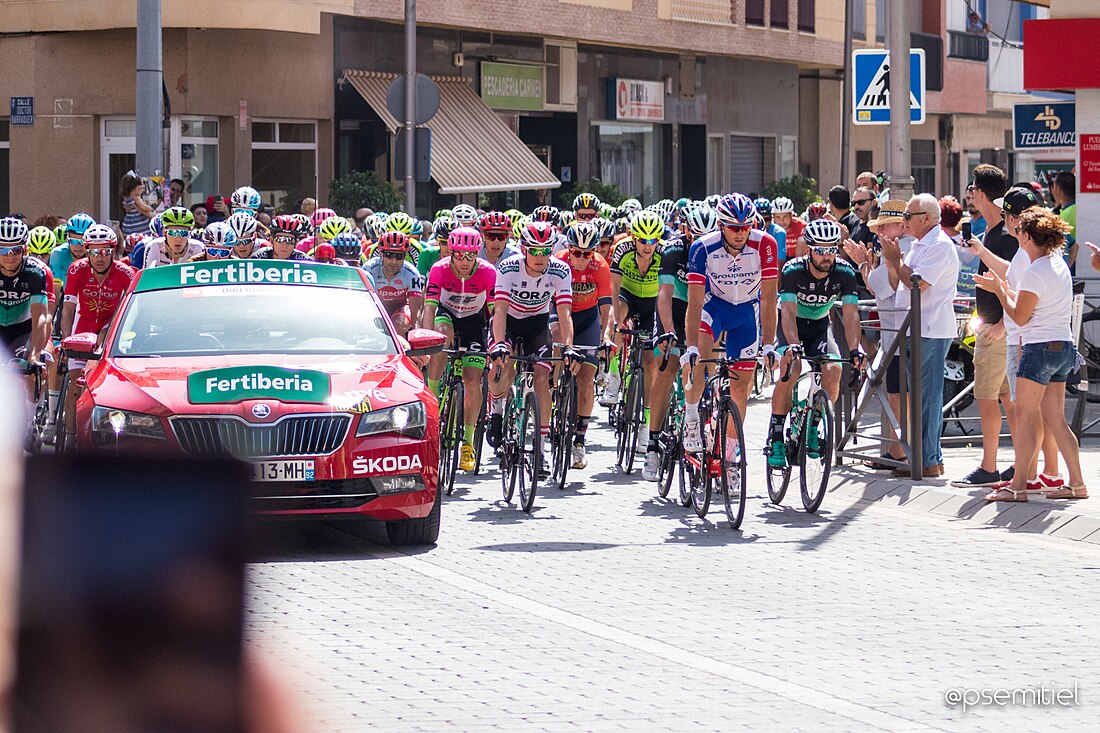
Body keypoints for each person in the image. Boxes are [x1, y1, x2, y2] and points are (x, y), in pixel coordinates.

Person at [975, 209, 1087, 501]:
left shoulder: (1036, 270)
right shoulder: (1057, 263)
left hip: (1038, 349)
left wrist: (1000, 292)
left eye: (1020, 232)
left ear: (1026, 237)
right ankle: (1076, 483)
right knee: (1056, 420)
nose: (1016, 235)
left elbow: (1020, 317)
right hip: (1063, 346)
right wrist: (1003, 290)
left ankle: (1018, 486)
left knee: (1025, 419)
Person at [682, 194, 779, 454]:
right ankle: (691, 416)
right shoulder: (702, 247)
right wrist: (690, 347)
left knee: (739, 390)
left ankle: (729, 455)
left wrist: (768, 344)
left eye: (746, 227)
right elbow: (694, 302)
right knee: (698, 360)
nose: (740, 233)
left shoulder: (765, 245)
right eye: (734, 228)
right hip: (714, 308)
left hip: (747, 312)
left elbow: (769, 299)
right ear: (721, 226)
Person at [768, 219, 864, 468]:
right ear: (809, 249)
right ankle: (777, 434)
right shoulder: (792, 270)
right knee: (793, 369)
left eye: (831, 249)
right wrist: (792, 345)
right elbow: (787, 312)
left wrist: (855, 349)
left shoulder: (844, 272)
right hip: (793, 326)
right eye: (820, 250)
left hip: (821, 327)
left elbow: (852, 313)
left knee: (834, 369)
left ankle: (814, 425)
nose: (826, 256)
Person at [879, 194, 960, 478]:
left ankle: (928, 460)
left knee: (927, 398)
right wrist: (892, 261)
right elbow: (897, 282)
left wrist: (895, 259)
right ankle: (923, 458)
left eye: (908, 217)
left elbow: (917, 284)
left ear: (926, 218)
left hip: (930, 329)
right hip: (915, 329)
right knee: (919, 397)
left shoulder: (939, 245)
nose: (904, 222)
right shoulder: (919, 245)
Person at [487, 221, 578, 471]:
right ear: (524, 249)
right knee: (503, 364)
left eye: (546, 250)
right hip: (509, 322)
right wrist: (498, 344)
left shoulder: (560, 270)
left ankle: (539, 448)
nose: (541, 257)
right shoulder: (508, 268)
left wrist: (568, 346)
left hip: (537, 324)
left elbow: (564, 313)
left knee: (542, 378)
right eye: (535, 251)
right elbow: (500, 311)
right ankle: (496, 411)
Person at [950, 165, 1017, 488]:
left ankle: (990, 466)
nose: (969, 195)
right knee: (1005, 398)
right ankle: (1021, 463)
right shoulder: (992, 232)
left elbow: (1016, 280)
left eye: (972, 189)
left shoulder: (1003, 235)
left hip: (998, 328)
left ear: (979, 193)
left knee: (988, 398)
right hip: (993, 326)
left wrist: (1003, 323)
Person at [423, 228, 497, 471]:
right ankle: (432, 401)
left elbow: (497, 312)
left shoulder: (488, 272)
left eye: (470, 256)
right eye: (460, 256)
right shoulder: (439, 269)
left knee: (473, 380)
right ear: (451, 253)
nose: (465, 262)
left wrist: (497, 341)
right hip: (447, 315)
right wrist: (425, 343)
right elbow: (430, 310)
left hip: (474, 320)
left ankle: (468, 442)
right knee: (441, 337)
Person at [58, 225, 135, 442]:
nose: (99, 258)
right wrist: (66, 341)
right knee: (77, 386)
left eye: (105, 252)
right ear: (87, 251)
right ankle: (71, 441)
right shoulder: (76, 269)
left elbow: (130, 312)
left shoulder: (125, 273)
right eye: (93, 252)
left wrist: (107, 331)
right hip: (82, 329)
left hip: (110, 330)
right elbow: (68, 310)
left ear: (113, 251)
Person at [554, 222, 613, 471]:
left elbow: (607, 307)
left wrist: (607, 336)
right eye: (576, 252)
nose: (580, 259)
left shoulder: (600, 266)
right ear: (568, 248)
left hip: (587, 317)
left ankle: (579, 439)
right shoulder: (558, 262)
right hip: (558, 312)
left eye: (586, 253)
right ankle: (551, 392)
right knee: (556, 345)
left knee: (587, 377)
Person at [362, 231, 422, 336]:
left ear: (405, 256)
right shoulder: (369, 269)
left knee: (397, 326)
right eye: (389, 255)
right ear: (381, 254)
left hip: (400, 309)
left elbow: (415, 312)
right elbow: (362, 303)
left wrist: (417, 340)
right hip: (375, 309)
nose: (394, 261)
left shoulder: (412, 273)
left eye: (399, 256)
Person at [1050, 171, 1078, 272]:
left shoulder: (1065, 215)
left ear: (1058, 189)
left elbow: (1072, 246)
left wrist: (1066, 268)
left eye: (1054, 186)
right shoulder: (1076, 208)